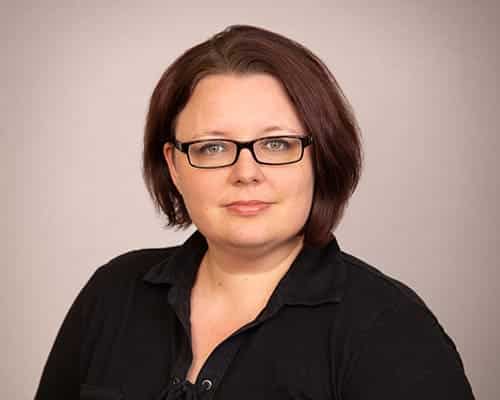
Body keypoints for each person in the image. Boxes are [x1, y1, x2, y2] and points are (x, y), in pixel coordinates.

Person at [34, 24, 475, 399]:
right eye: (212, 147)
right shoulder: (112, 293)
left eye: (277, 144)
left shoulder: (389, 327)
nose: (246, 172)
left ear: (320, 157)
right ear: (173, 164)